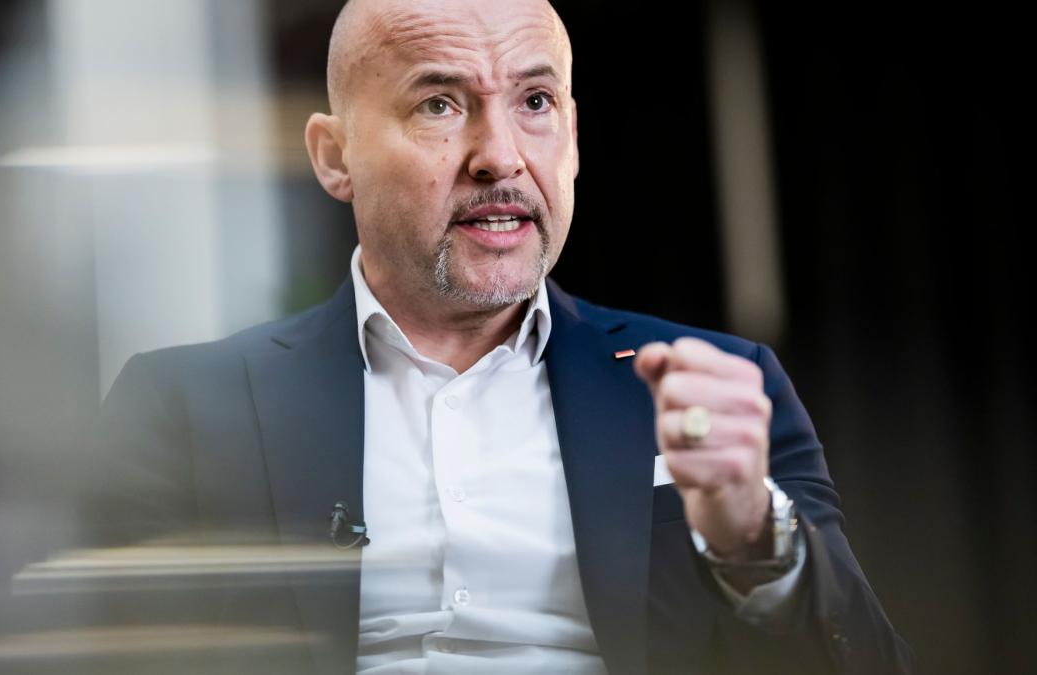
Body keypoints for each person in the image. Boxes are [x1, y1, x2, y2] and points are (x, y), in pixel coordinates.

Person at [95, 0, 912, 673]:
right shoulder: (182, 406)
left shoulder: (724, 384)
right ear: (335, 156)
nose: (500, 157)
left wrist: (756, 540)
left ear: (574, 138)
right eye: (439, 104)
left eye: (535, 103)